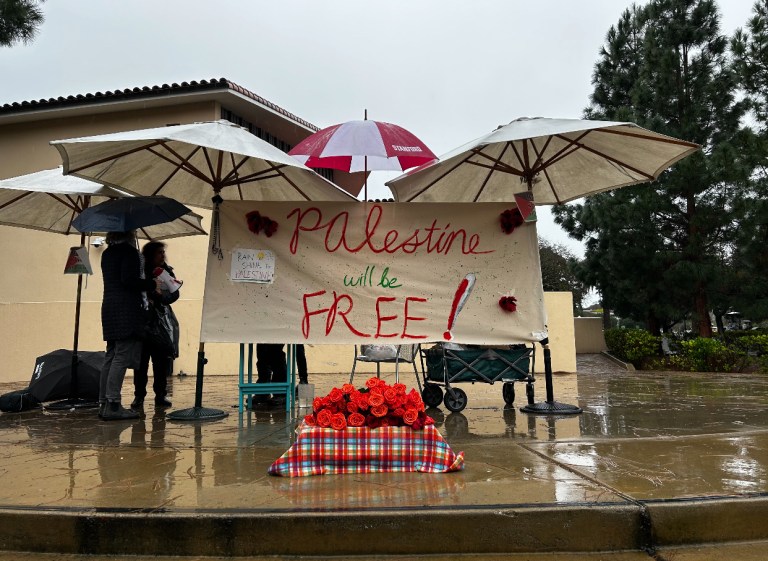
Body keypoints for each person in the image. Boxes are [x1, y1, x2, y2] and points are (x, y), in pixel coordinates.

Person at [99, 230, 159, 421]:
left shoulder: (107, 253)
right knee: (122, 356)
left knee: (111, 355)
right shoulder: (129, 252)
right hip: (126, 310)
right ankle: (114, 404)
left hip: (109, 307)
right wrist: (151, 284)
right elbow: (129, 281)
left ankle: (104, 403)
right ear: (129, 233)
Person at [132, 241, 179, 408]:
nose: (162, 255)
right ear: (151, 254)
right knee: (141, 363)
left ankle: (160, 395)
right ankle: (139, 396)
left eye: (163, 252)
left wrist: (159, 297)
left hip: (160, 324)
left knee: (160, 363)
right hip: (142, 323)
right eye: (159, 252)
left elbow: (174, 294)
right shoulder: (140, 272)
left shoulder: (166, 271)